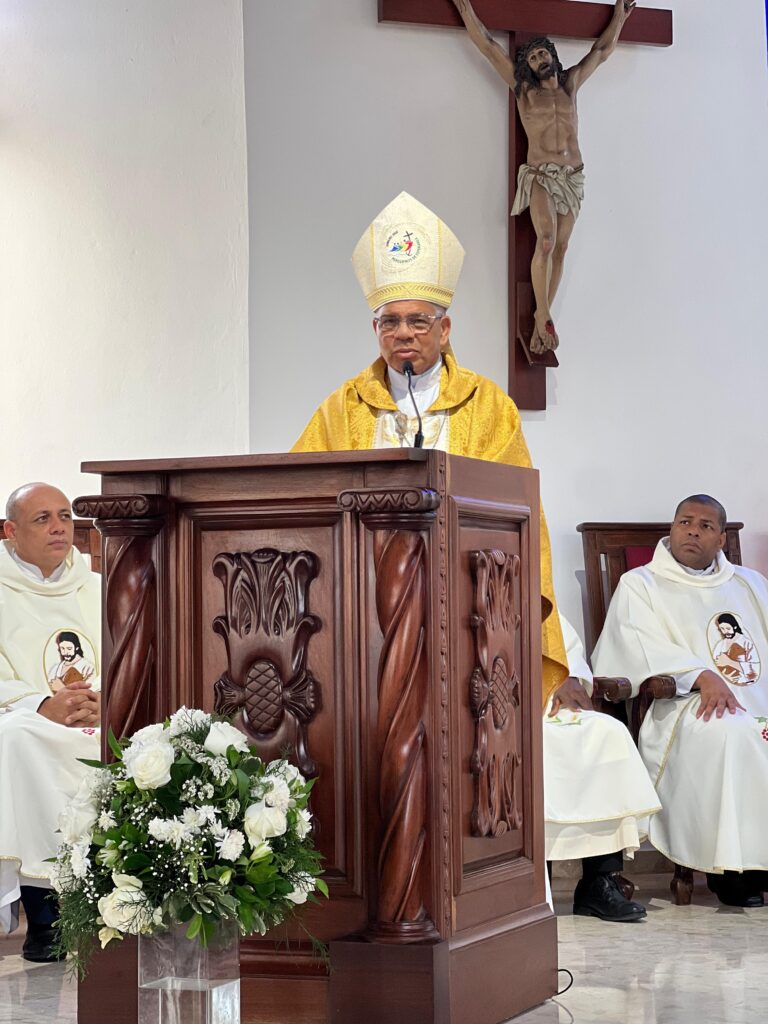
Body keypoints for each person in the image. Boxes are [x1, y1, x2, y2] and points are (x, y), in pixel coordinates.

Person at [292, 190, 569, 703]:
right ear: (375, 330)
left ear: (444, 330)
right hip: (359, 611)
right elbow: (295, 500)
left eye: (418, 321)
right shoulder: (343, 409)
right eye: (390, 322)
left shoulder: (488, 407)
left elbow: (518, 513)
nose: (403, 333)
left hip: (467, 612)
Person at [593, 494, 768, 907]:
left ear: (722, 538)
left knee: (750, 727)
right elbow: (634, 644)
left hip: (756, 698)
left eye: (706, 525)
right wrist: (700, 674)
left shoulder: (750, 584)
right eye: (685, 522)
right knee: (733, 733)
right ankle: (733, 873)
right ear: (671, 530)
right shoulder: (641, 584)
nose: (693, 530)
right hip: (685, 704)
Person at [450, 0, 635, 354]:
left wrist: (618, 17)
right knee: (546, 241)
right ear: (527, 67)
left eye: (541, 55)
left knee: (562, 248)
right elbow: (488, 45)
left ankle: (541, 316)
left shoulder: (570, 85)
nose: (537, 61)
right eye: (532, 59)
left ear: (552, 55)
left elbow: (602, 50)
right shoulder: (524, 92)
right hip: (540, 176)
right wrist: (466, 9)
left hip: (573, 177)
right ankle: (544, 317)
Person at [0, 483, 101, 960]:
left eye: (65, 516)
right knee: (17, 739)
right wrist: (40, 703)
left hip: (100, 715)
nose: (59, 526)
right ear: (10, 531)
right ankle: (45, 918)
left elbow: (139, 655)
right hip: (24, 717)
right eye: (42, 519)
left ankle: (124, 904)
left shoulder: (101, 585)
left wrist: (109, 701)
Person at [545, 615, 660, 921]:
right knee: (537, 744)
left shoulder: (525, 584)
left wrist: (564, 677)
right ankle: (533, 885)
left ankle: (599, 882)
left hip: (548, 700)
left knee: (608, 732)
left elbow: (556, 634)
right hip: (502, 703)